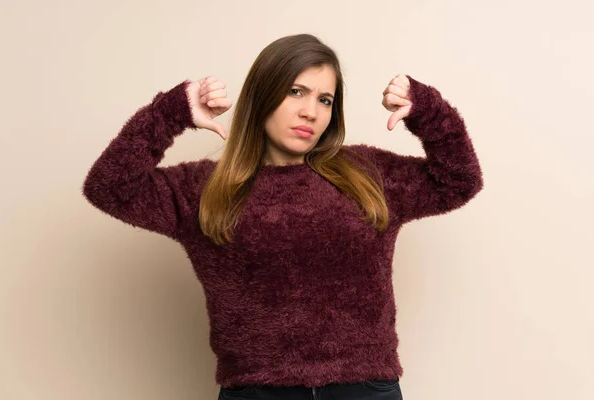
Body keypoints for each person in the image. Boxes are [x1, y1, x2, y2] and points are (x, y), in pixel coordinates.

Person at [82, 33, 484, 400]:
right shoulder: (204, 189)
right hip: (256, 391)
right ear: (261, 95)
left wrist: (430, 113)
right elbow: (109, 187)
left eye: (324, 100)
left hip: (366, 390)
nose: (310, 111)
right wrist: (170, 113)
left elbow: (459, 180)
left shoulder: (368, 174)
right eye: (296, 92)